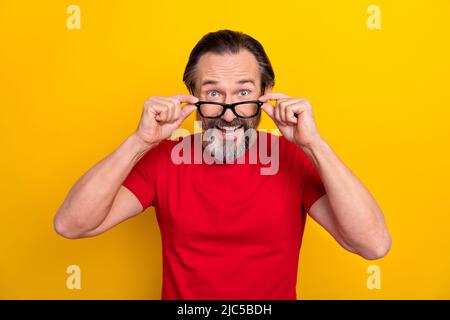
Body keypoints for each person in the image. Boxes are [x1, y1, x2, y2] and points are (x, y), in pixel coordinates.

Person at [54, 29, 391, 300]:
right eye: (213, 94)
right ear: (191, 95)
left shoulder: (292, 158)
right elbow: (72, 224)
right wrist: (139, 142)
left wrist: (314, 144)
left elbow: (372, 245)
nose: (229, 111)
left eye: (243, 93)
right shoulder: (163, 159)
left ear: (265, 95)